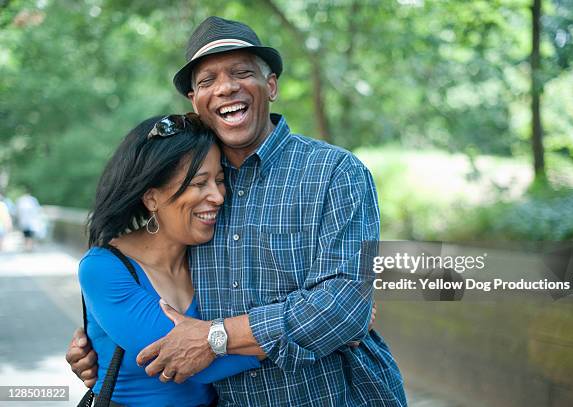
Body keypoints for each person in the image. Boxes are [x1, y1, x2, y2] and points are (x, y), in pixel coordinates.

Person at [68, 16, 407, 406]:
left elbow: (344, 305)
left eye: (242, 72)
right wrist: (102, 343)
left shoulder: (335, 172)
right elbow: (154, 317)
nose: (226, 87)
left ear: (272, 85)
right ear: (195, 102)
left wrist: (217, 337)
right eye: (207, 80)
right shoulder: (191, 192)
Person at [78, 113, 261, 406]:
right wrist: (320, 329)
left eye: (219, 180)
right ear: (151, 198)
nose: (217, 196)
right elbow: (193, 362)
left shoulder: (211, 255)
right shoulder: (103, 267)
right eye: (199, 183)